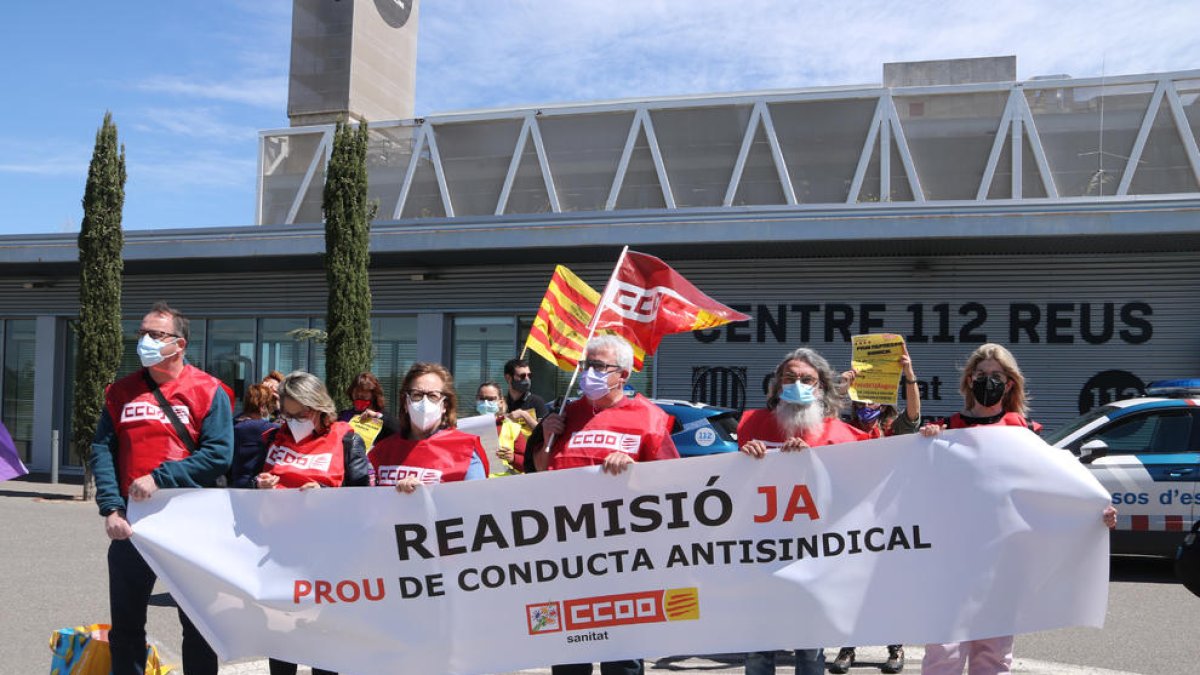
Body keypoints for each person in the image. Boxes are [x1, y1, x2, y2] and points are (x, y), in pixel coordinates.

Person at [918, 343, 1117, 675]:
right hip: (950, 560)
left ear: (1010, 383)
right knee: (943, 655)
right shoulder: (944, 430)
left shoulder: (1026, 434)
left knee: (993, 657)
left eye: (996, 375)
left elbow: (1057, 485)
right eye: (980, 374)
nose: (988, 380)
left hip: (1003, 562)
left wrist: (1097, 511)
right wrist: (925, 442)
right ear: (968, 381)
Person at [90, 301, 233, 675]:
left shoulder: (208, 390)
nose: (145, 341)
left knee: (198, 627)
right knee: (126, 629)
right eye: (142, 334)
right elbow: (102, 449)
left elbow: (219, 455)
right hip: (131, 524)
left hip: (191, 525)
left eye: (156, 334)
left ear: (179, 344)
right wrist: (110, 508)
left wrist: (160, 477)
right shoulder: (120, 392)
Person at [530, 335, 679, 675]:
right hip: (566, 552)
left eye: (599, 366)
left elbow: (672, 482)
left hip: (623, 556)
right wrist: (547, 436)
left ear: (623, 374)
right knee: (569, 654)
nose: (588, 373)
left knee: (621, 656)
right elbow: (543, 471)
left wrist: (633, 470)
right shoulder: (567, 412)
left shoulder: (649, 417)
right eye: (586, 365)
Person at [737, 347, 869, 675]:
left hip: (815, 557)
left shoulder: (838, 434)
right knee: (757, 650)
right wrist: (742, 458)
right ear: (777, 385)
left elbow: (862, 485)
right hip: (760, 552)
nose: (797, 384)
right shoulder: (752, 423)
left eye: (806, 379)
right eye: (790, 377)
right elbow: (731, 485)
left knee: (810, 650)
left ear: (821, 386)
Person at [248, 371, 370, 675]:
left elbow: (363, 498)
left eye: (302, 413)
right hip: (278, 553)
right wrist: (258, 486)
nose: (295, 420)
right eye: (287, 414)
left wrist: (326, 494)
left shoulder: (346, 439)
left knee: (323, 639)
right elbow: (242, 489)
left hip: (327, 555)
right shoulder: (272, 438)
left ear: (320, 407)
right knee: (282, 636)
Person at [831, 350, 921, 674]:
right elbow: (818, 415)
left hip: (889, 517)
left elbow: (914, 413)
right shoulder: (841, 429)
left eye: (873, 399)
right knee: (852, 584)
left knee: (887, 584)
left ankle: (895, 647)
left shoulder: (892, 428)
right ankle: (847, 648)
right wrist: (842, 386)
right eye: (861, 399)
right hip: (851, 518)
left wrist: (908, 375)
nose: (867, 405)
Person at [372, 362, 488, 491]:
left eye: (433, 396)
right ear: (405, 403)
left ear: (445, 405)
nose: (424, 402)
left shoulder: (465, 451)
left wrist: (426, 496)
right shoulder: (381, 451)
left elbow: (476, 502)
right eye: (417, 395)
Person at [229, 383, 279, 488]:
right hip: (253, 486)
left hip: (234, 484)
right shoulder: (261, 428)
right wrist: (280, 407)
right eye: (270, 407)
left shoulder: (233, 424)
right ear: (262, 407)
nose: (271, 412)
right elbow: (288, 429)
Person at [477, 380, 529, 475]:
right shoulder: (469, 428)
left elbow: (528, 463)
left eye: (491, 399)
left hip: (504, 484)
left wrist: (513, 458)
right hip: (476, 484)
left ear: (500, 402)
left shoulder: (512, 428)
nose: (485, 402)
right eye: (481, 398)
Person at [336, 371, 401, 445]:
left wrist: (377, 416)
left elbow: (399, 432)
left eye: (364, 392)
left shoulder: (382, 417)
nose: (360, 395)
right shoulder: (344, 415)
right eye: (356, 392)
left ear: (374, 395)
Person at [503, 357, 549, 429]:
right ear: (508, 378)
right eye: (522, 376)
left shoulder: (537, 402)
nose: (527, 379)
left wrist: (525, 415)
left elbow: (543, 432)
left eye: (529, 375)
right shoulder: (502, 403)